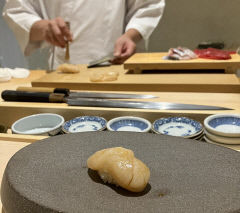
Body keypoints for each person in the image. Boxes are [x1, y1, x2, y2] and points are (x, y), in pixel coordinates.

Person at [3, 0, 165, 68]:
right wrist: (43, 28)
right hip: (61, 70)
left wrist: (130, 35)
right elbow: (17, 9)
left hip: (116, 65)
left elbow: (148, 4)